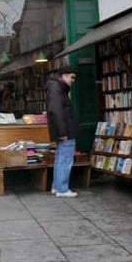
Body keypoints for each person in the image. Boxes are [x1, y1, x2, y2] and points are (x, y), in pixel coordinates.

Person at [46, 66, 79, 198]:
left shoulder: (56, 88)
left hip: (64, 130)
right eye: (72, 77)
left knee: (61, 159)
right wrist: (62, 132)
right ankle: (62, 188)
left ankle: (57, 186)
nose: (73, 80)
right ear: (64, 76)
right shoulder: (57, 89)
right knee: (65, 159)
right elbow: (56, 111)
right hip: (66, 130)